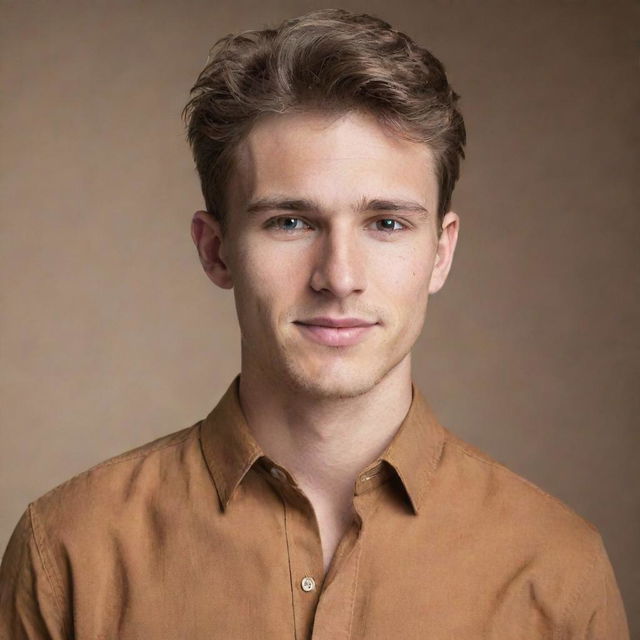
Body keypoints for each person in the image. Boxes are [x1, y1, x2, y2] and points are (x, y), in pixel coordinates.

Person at [0, 8, 629, 639]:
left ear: (440, 251)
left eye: (386, 223)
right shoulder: (68, 552)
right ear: (216, 249)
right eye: (290, 222)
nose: (338, 275)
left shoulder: (556, 570)